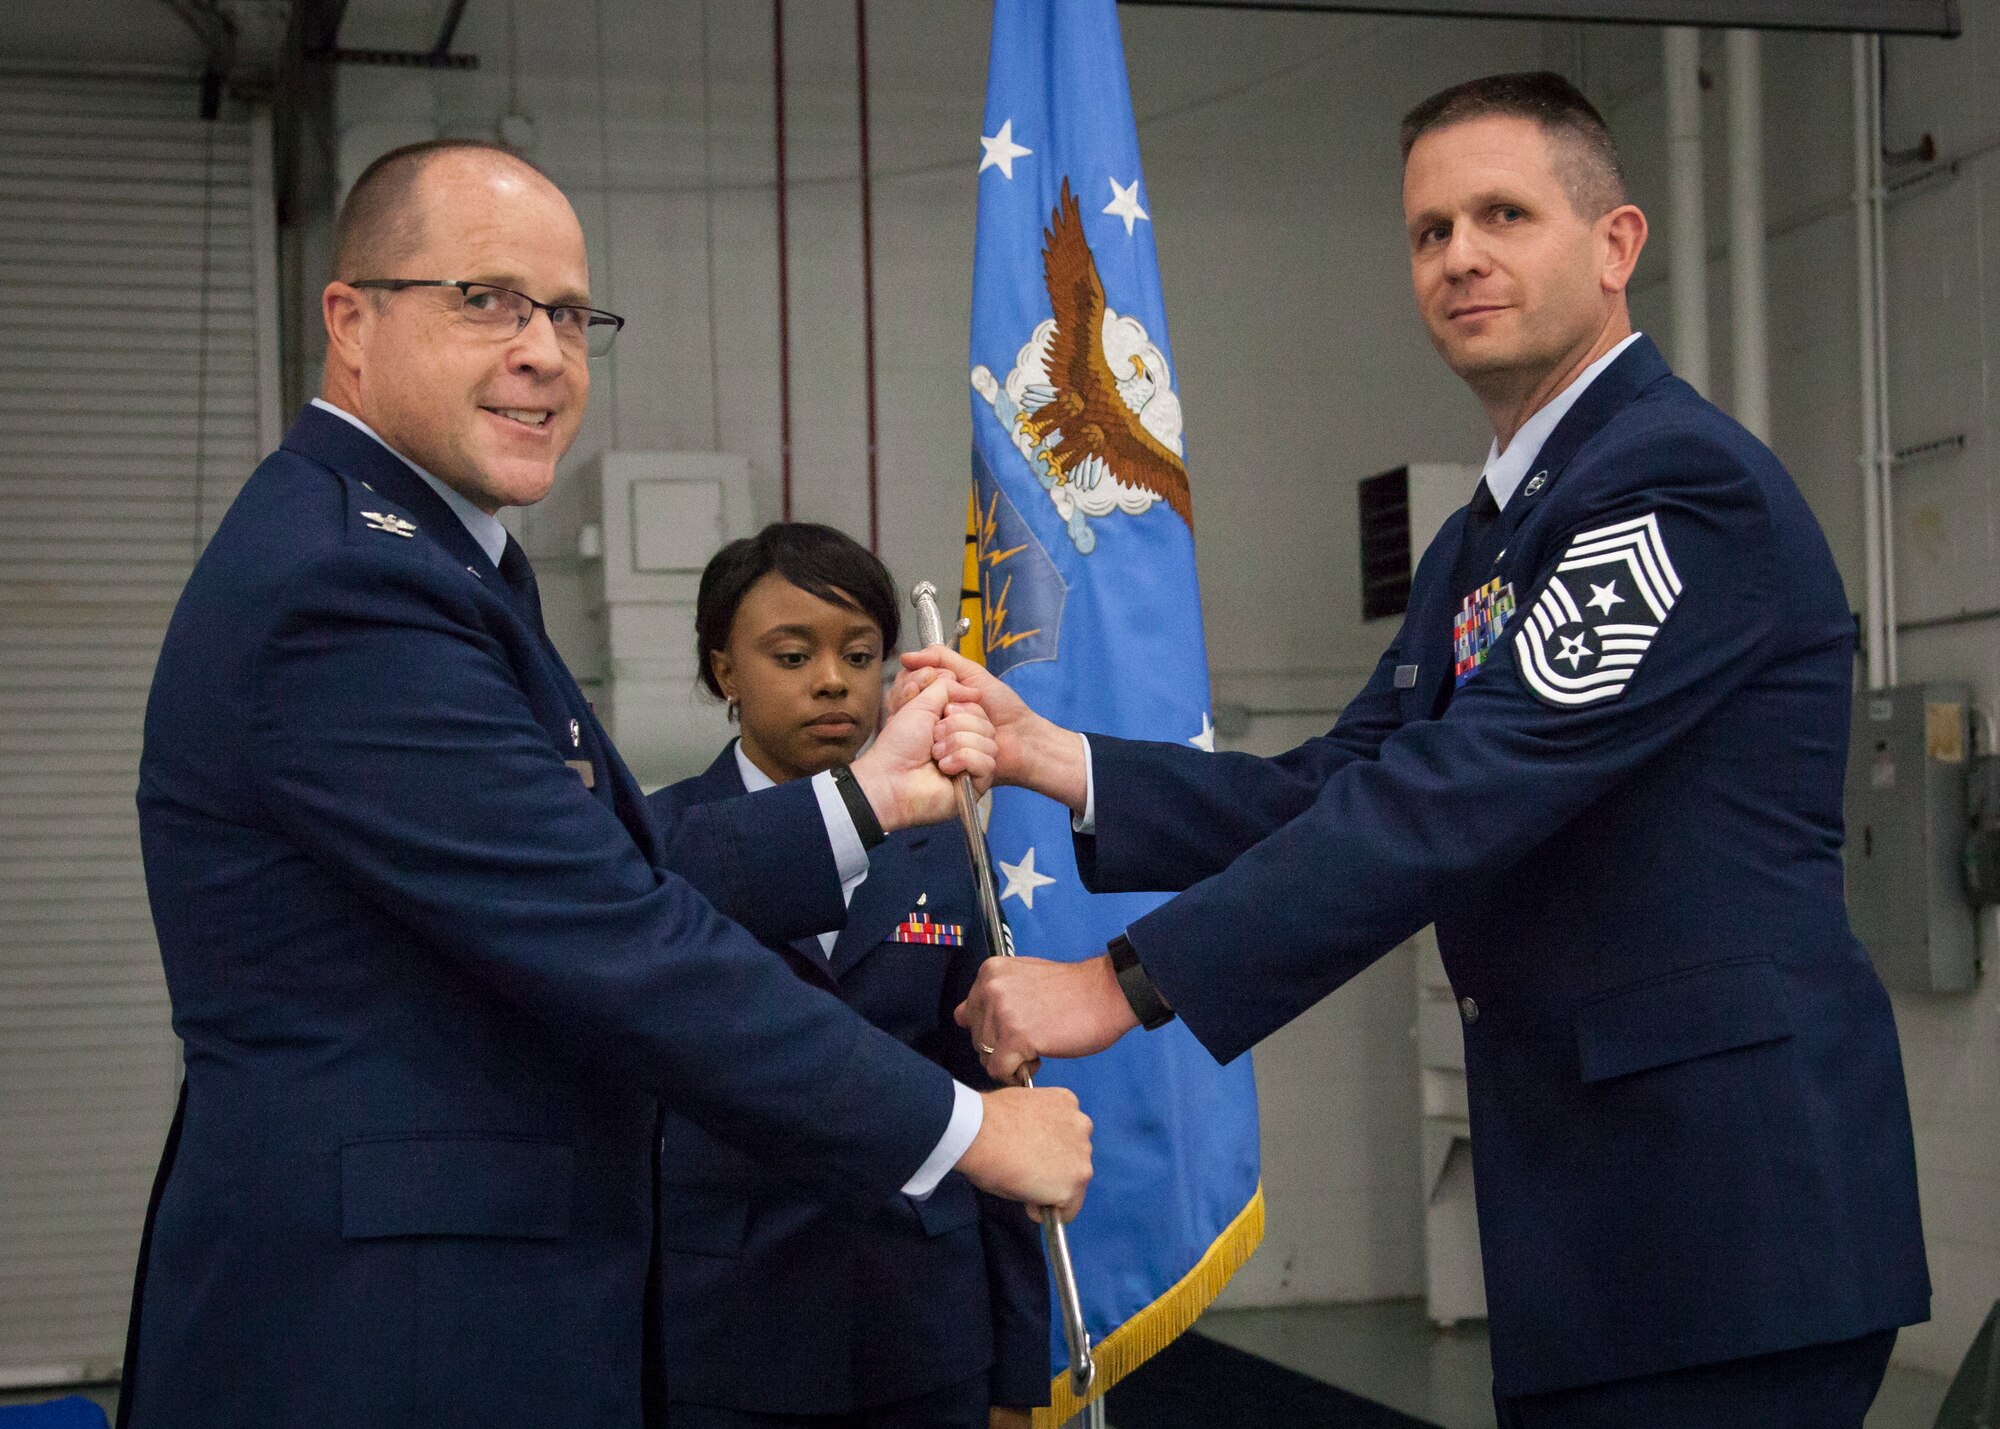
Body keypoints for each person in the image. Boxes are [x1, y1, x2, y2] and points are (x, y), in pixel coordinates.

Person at [909, 72, 1929, 1428]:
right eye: (1430, 231)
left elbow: (1459, 793)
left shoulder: (1682, 485)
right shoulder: (1490, 531)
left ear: (1616, 245)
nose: (1460, 257)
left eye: (1503, 214)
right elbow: (1345, 785)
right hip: (1606, 1218)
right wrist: (1061, 758)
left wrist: (1117, 984)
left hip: (1726, 1219)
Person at [121, 139, 1090, 1429]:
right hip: (393, 1339)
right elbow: (614, 936)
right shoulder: (345, 585)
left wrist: (868, 799)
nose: (543, 351)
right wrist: (966, 1131)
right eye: (487, 300)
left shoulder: (440, 562)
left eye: (570, 315)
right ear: (349, 321)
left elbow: (607, 873)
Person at [644, 523, 1048, 1429]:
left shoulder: (949, 851)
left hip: (923, 1328)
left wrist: (1020, 1373)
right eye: (792, 654)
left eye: (860, 654)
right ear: (724, 671)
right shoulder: (657, 848)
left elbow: (996, 1095)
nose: (832, 679)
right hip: (724, 1331)